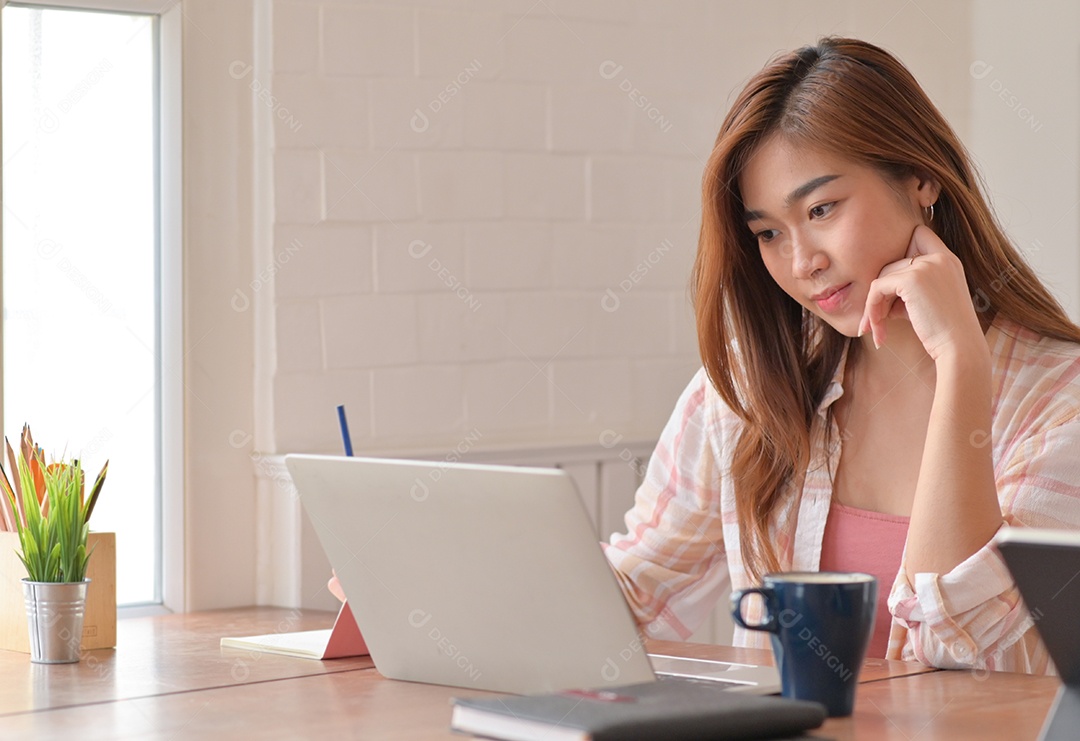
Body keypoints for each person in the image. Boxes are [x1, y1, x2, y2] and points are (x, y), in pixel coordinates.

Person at [602, 36, 1080, 673]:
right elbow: (635, 596)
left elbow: (956, 646)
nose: (802, 263)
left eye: (822, 208)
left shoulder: (1059, 400)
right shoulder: (754, 380)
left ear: (921, 178)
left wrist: (961, 362)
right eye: (769, 232)